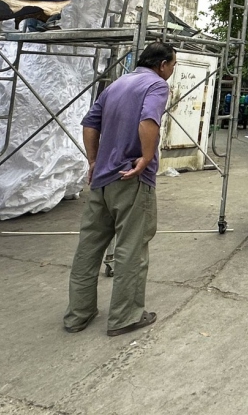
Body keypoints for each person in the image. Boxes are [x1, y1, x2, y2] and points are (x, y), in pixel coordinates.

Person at [64, 42, 175, 337]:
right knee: (131, 248)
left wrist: (93, 160)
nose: (172, 72)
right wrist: (147, 158)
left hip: (101, 179)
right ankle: (125, 317)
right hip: (131, 178)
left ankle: (78, 314)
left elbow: (90, 123)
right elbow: (149, 120)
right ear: (162, 64)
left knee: (89, 247)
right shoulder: (156, 85)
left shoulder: (117, 84)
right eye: (173, 66)